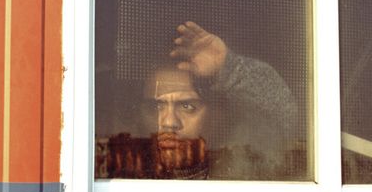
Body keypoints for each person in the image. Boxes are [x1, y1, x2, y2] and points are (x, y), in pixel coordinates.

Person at [100, 22, 300, 180]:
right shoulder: (117, 181)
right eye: (157, 106)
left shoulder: (242, 171)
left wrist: (229, 68)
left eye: (187, 106)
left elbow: (283, 116)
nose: (168, 122)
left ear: (218, 113)